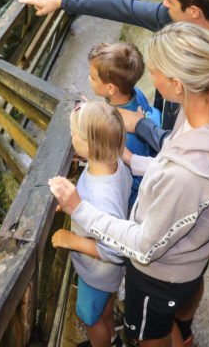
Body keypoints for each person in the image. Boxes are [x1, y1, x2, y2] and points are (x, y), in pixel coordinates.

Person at [49, 23, 209, 347]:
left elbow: (143, 245)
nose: (150, 78)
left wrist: (79, 209)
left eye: (155, 71)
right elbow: (173, 162)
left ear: (176, 84)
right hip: (191, 262)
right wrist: (134, 161)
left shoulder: (187, 175)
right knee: (177, 309)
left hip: (160, 275)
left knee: (147, 335)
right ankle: (183, 334)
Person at [20, 0, 209, 153]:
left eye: (169, 0)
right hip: (162, 121)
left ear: (194, 11)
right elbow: (125, 8)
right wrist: (62, 1)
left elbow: (196, 148)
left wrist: (141, 125)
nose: (163, 4)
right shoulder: (179, 19)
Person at [51, 101, 132, 347]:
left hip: (98, 272)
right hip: (109, 277)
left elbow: (115, 251)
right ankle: (113, 337)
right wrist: (72, 204)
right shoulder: (113, 165)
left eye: (73, 134)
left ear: (88, 145)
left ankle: (102, 341)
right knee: (104, 307)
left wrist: (71, 240)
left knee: (89, 316)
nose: (71, 137)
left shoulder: (101, 194)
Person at [87, 42, 161, 208]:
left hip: (134, 194)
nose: (88, 79)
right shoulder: (136, 93)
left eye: (92, 77)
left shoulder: (120, 133)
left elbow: (133, 177)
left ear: (110, 88)